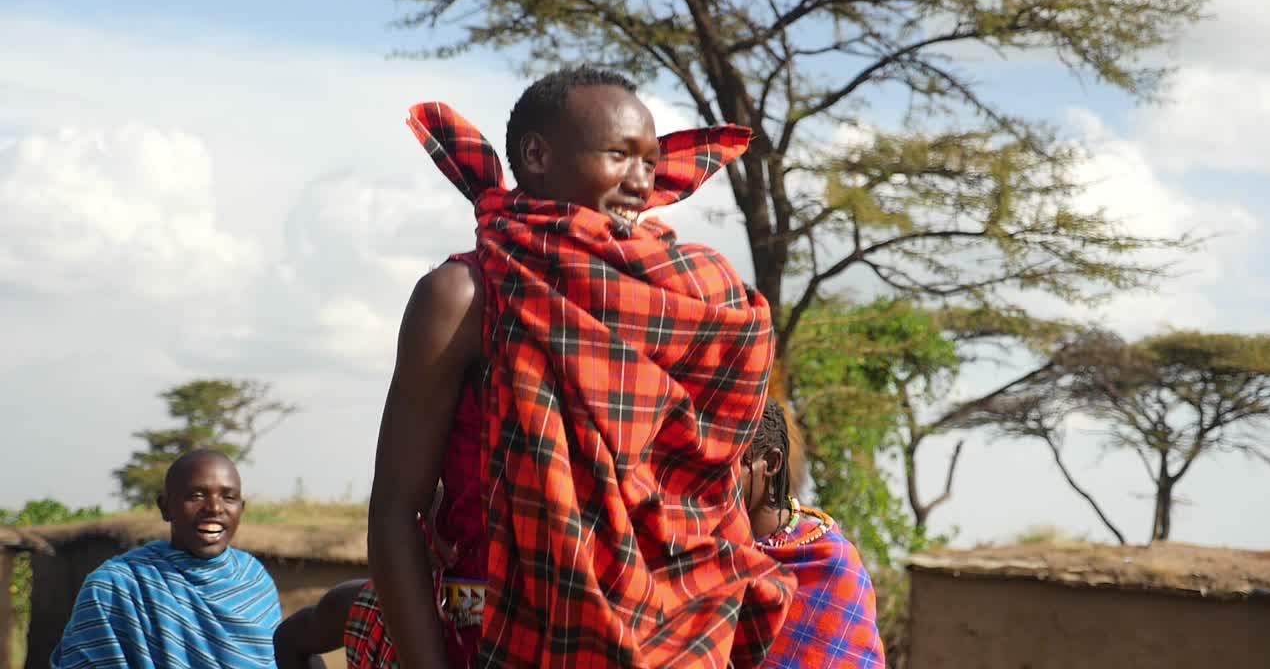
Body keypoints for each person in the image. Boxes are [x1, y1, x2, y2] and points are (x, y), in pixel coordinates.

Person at [352, 66, 794, 669]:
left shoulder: (682, 299)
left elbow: (703, 500)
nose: (642, 183)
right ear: (536, 155)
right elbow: (396, 511)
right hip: (498, 641)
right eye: (620, 156)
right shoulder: (466, 295)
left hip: (665, 635)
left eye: (650, 162)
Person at [51, 449, 281, 668]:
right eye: (196, 495)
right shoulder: (115, 587)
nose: (214, 508)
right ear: (165, 507)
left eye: (228, 497)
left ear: (241, 508)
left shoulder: (254, 579)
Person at [742, 400, 887, 669]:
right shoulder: (698, 549)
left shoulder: (830, 563)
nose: (714, 477)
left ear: (772, 463)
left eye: (733, 463)